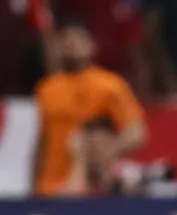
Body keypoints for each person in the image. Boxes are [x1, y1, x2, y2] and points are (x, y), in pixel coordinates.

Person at [33, 18, 146, 197]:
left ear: (92, 45)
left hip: (89, 187)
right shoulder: (47, 89)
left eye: (78, 38)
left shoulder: (110, 85)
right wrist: (34, 185)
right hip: (50, 187)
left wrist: (106, 152)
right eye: (65, 38)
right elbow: (43, 140)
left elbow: (136, 132)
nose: (71, 43)